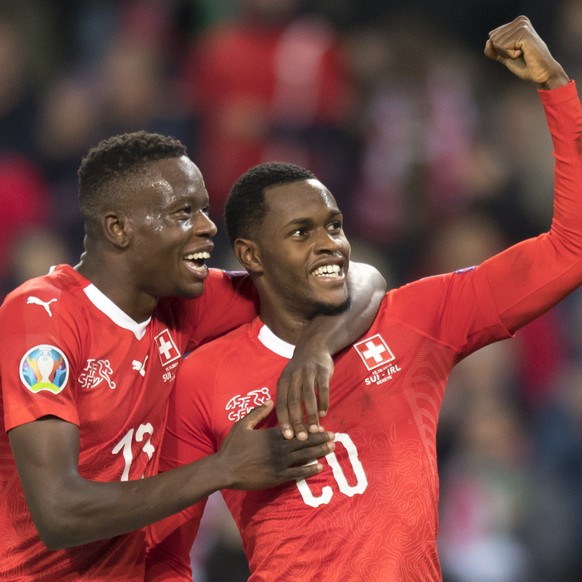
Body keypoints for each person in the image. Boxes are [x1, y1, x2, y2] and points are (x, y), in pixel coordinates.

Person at [145, 16, 582, 581]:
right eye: (301, 233)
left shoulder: (418, 318)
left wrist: (556, 87)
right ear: (251, 256)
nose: (330, 244)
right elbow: (165, 555)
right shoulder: (203, 379)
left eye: (334, 225)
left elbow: (570, 251)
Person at [0, 128, 387, 581]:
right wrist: (222, 469)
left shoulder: (181, 304)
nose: (207, 227)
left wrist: (315, 349)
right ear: (119, 228)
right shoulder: (41, 316)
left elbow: (354, 279)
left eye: (204, 209)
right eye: (184, 213)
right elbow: (59, 513)